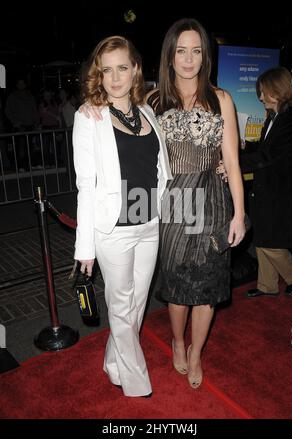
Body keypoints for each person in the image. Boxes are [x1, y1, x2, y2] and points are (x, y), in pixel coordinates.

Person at [145, 18, 246, 389]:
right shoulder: (152, 100)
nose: (188, 59)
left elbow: (233, 162)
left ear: (205, 56)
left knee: (208, 287)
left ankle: (197, 350)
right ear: (170, 56)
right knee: (177, 285)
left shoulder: (222, 99)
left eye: (196, 51)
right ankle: (176, 339)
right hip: (173, 201)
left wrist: (239, 213)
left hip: (214, 201)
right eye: (181, 51)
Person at [72, 35, 172, 397]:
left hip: (149, 224)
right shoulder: (89, 117)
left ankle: (113, 363)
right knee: (120, 304)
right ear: (99, 75)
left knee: (136, 305)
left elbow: (160, 171)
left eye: (122, 68)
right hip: (113, 229)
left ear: (135, 71)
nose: (115, 78)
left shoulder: (146, 113)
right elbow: (86, 186)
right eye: (107, 70)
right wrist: (85, 247)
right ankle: (135, 382)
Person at [239, 66, 292, 298]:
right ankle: (267, 285)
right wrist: (245, 146)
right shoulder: (275, 117)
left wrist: (235, 165)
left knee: (268, 239)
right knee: (262, 235)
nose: (260, 97)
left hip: (281, 190)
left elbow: (270, 156)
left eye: (264, 92)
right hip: (268, 188)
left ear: (278, 90)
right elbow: (265, 148)